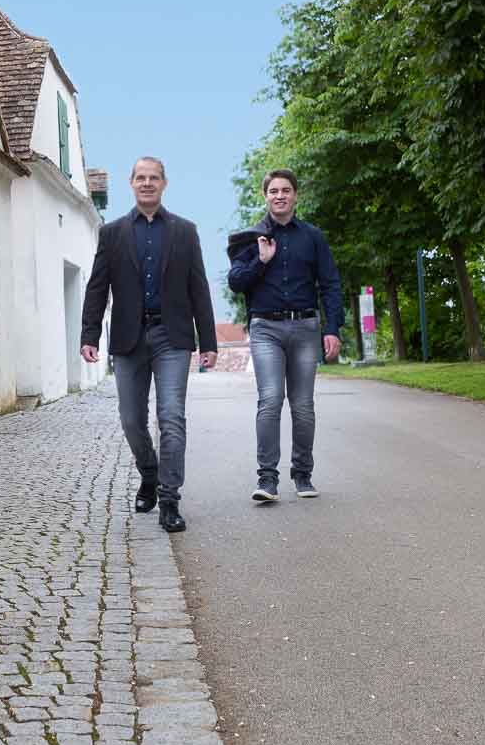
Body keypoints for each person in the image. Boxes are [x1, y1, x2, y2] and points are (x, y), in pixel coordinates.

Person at [81, 157, 218, 533]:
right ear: (131, 183)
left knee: (172, 416)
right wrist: (89, 334)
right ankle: (149, 473)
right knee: (131, 419)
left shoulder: (185, 232)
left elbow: (199, 287)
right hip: (129, 338)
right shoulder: (112, 233)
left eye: (153, 178)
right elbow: (97, 286)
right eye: (140, 178)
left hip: (171, 336)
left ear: (164, 184)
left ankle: (170, 500)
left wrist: (208, 340)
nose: (147, 183)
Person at [226, 168, 342, 502]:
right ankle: (267, 479)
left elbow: (331, 284)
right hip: (266, 329)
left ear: (295, 195)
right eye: (274, 190)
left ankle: (303, 475)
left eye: (286, 190)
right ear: (265, 196)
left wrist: (332, 328)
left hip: (306, 328)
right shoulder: (250, 238)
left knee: (303, 406)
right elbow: (236, 282)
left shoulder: (313, 237)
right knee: (271, 399)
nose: (280, 195)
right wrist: (261, 262)